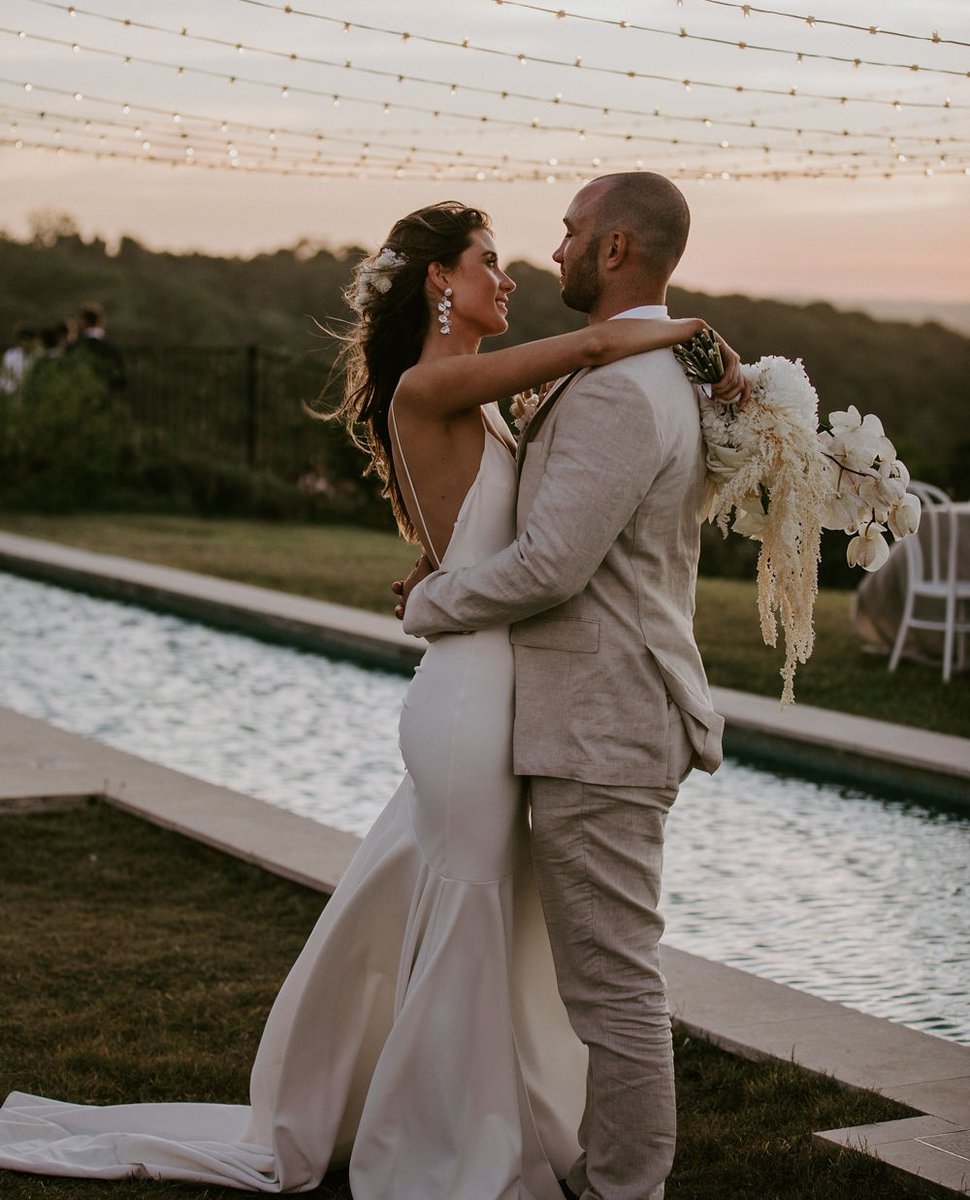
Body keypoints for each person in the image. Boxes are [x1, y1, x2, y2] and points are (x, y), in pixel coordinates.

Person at [0, 199, 740, 1197]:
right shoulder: (434, 384)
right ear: (440, 279)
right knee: (468, 909)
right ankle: (446, 1141)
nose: (511, 272)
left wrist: (438, 572)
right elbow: (600, 344)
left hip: (494, 682)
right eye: (487, 259)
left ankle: (465, 1118)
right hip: (472, 693)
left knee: (464, 909)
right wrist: (677, 333)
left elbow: (510, 496)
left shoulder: (475, 393)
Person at [399, 174, 727, 1200]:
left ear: (618, 249)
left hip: (603, 720)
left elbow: (551, 566)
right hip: (596, 712)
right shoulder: (654, 370)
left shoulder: (626, 385)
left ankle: (622, 1188)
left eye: (572, 232)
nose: (555, 251)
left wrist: (432, 605)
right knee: (600, 975)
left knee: (613, 985)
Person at [69, 301, 125, 391]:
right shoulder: (113, 348)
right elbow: (119, 379)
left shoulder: (75, 348)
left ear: (84, 322)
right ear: (100, 321)